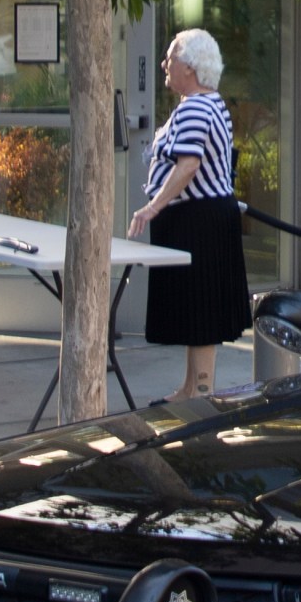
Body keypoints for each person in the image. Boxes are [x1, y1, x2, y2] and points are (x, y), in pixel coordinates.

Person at [126, 28, 252, 401]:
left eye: (170, 58)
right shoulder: (206, 103)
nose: (165, 64)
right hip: (200, 220)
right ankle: (191, 387)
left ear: (191, 67)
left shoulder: (198, 106)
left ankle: (201, 390)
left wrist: (153, 206)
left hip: (198, 222)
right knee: (198, 314)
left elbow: (188, 165)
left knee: (200, 311)